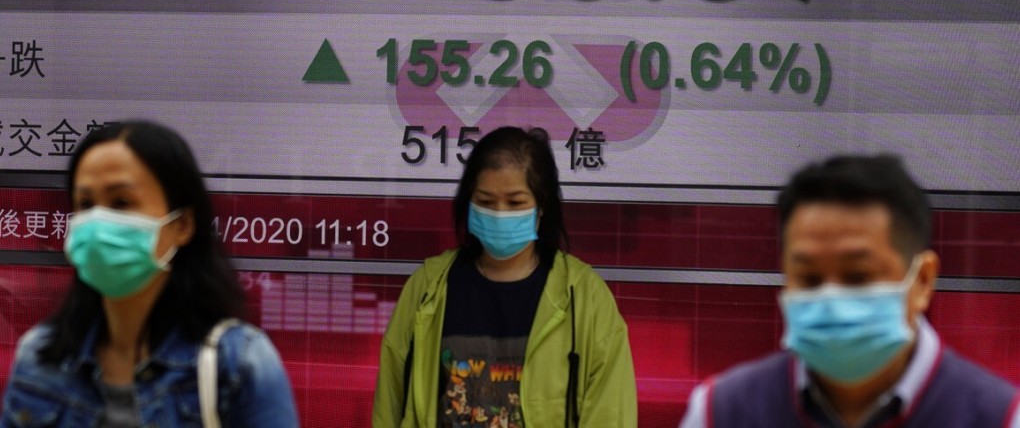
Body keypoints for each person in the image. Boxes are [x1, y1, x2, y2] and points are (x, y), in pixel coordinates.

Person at [679, 154, 1020, 428]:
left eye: (858, 276)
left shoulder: (999, 417)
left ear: (923, 281)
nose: (831, 300)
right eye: (809, 278)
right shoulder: (719, 413)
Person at [1, 121, 299, 427]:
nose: (98, 221)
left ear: (182, 225)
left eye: (121, 203)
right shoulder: (39, 358)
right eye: (85, 204)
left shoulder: (239, 364)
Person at [373, 126, 637, 427]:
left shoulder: (585, 297)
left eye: (515, 203)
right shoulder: (427, 288)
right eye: (485, 202)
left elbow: (611, 414)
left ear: (542, 205)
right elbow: (390, 402)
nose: (499, 213)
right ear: (468, 202)